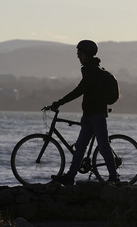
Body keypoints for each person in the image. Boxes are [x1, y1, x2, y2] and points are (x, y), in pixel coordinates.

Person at [49, 40, 119, 185]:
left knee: (103, 145)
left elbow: (78, 91)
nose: (78, 57)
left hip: (97, 114)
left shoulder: (92, 72)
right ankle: (70, 177)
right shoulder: (90, 70)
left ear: (86, 55)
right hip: (89, 115)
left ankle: (114, 177)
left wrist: (59, 103)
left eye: (79, 54)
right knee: (80, 147)